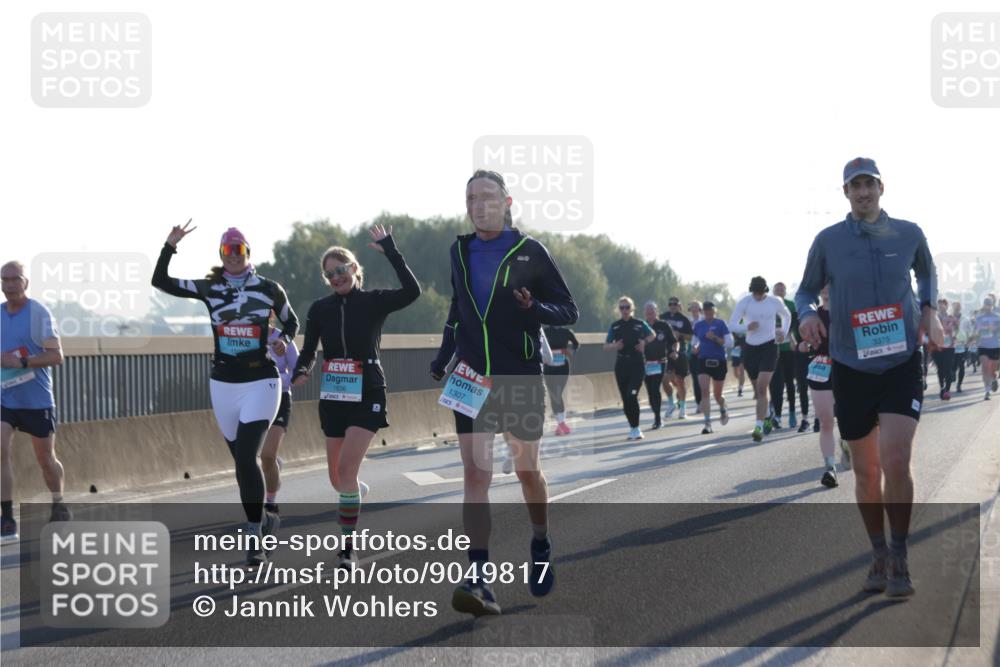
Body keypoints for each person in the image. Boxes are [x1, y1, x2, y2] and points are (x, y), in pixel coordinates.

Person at [430, 170, 578, 616]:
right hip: (471, 377)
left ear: (507, 201)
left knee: (527, 470)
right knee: (475, 477)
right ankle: (478, 578)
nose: (479, 204)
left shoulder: (530, 251)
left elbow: (569, 309)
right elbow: (458, 310)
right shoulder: (459, 250)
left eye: (487, 197)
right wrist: (444, 355)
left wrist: (536, 308)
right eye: (471, 197)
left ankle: (540, 540)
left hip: (520, 376)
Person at [796, 157, 941, 599]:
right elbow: (805, 289)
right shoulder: (828, 241)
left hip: (899, 362)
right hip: (851, 365)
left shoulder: (910, 233)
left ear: (882, 188)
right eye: (854, 186)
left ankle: (899, 554)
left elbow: (927, 273)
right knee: (865, 470)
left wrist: (930, 312)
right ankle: (877, 553)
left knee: (896, 458)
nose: (863, 192)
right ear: (845, 193)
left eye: (869, 184)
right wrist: (805, 315)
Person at [152, 222, 299, 564]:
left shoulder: (269, 288)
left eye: (240, 250)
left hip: (261, 380)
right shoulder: (210, 288)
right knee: (241, 464)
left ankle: (253, 538)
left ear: (249, 254)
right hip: (223, 383)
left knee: (248, 457)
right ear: (221, 255)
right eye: (228, 251)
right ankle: (262, 517)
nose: (234, 256)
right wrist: (170, 245)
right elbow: (161, 282)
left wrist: (283, 340)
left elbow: (292, 322)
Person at [292, 224, 420, 568]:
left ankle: (347, 547)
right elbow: (308, 351)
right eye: (329, 273)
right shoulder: (320, 309)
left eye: (342, 269)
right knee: (338, 479)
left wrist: (391, 251)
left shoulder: (373, 301)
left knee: (347, 469)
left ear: (354, 269)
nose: (336, 277)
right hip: (334, 392)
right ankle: (354, 492)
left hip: (368, 391)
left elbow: (412, 292)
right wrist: (301, 370)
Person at [1, 260, 70, 542]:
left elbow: (57, 356)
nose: (9, 285)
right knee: (0, 453)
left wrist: (23, 361)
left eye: (15, 279)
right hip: (6, 397)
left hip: (37, 399)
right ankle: (6, 518)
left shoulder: (38, 313)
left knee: (45, 459)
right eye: (4, 280)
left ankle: (58, 503)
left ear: (25, 282)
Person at [728, 276, 791, 443]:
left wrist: (783, 331)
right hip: (751, 349)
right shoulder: (745, 302)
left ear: (766, 291)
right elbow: (732, 324)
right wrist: (745, 327)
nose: (758, 296)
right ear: (751, 291)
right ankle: (768, 414)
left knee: (763, 387)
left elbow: (787, 315)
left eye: (761, 293)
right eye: (755, 293)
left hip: (770, 347)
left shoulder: (774, 301)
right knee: (757, 391)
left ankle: (758, 427)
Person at [798, 286, 838, 487]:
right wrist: (803, 346)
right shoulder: (813, 315)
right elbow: (801, 343)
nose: (826, 289)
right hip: (821, 368)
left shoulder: (848, 310)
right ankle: (830, 468)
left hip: (848, 367)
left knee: (850, 418)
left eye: (830, 284)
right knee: (825, 421)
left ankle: (849, 444)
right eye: (822, 286)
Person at [260, 320, 298, 516]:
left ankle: (271, 502)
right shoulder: (246, 336)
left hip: (280, 398)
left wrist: (277, 380)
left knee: (267, 455)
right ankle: (275, 465)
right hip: (255, 399)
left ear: (272, 313)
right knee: (262, 457)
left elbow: (298, 372)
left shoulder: (283, 338)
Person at [604, 296, 656, 439]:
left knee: (631, 395)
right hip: (621, 365)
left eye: (627, 307)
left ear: (632, 308)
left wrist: (644, 342)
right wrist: (615, 345)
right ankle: (632, 427)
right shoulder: (615, 326)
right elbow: (606, 345)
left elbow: (653, 334)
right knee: (626, 399)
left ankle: (637, 428)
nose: (625, 310)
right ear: (619, 310)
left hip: (637, 363)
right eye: (622, 307)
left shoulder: (640, 323)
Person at [692, 301, 731, 434]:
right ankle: (707, 423)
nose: (708, 313)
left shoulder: (721, 324)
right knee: (704, 391)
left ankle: (723, 407)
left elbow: (729, 343)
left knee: (717, 395)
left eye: (711, 310)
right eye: (706, 311)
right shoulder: (698, 325)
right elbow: (694, 341)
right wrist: (695, 348)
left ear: (715, 311)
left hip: (719, 361)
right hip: (703, 360)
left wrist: (714, 337)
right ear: (703, 312)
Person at [641, 301, 679, 430]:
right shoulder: (642, 326)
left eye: (652, 312)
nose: (650, 315)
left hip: (660, 362)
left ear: (656, 312)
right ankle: (656, 415)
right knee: (650, 391)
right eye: (647, 312)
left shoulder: (663, 326)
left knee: (655, 388)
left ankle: (657, 419)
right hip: (646, 363)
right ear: (644, 313)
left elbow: (674, 342)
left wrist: (674, 351)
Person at [768, 282, 801, 429]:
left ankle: (793, 412)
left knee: (790, 382)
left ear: (785, 291)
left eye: (782, 288)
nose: (780, 290)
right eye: (777, 288)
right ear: (773, 291)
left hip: (789, 348)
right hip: (773, 349)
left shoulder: (791, 304)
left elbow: (796, 323)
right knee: (776, 384)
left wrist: (790, 334)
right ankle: (778, 416)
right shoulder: (768, 305)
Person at [542, 325, 580, 436]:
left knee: (557, 393)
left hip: (562, 367)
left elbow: (576, 344)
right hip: (549, 366)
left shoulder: (566, 332)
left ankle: (562, 424)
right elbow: (538, 344)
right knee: (553, 394)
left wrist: (571, 351)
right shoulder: (545, 331)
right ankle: (560, 424)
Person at [662, 297, 694, 419]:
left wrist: (680, 334)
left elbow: (691, 337)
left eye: (675, 304)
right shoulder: (663, 317)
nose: (672, 306)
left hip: (680, 352)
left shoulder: (684, 319)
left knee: (680, 381)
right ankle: (671, 403)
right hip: (667, 352)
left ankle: (683, 408)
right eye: (670, 304)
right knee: (665, 380)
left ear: (679, 305)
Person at [972, 296, 1000, 400]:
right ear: (983, 305)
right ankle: (987, 391)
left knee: (992, 369)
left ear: (992, 305)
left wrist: (995, 330)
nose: (987, 306)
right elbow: (976, 332)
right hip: (983, 346)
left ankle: (994, 379)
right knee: (984, 367)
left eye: (989, 304)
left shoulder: (997, 317)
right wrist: (973, 340)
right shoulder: (979, 318)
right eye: (986, 304)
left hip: (995, 345)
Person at [931, 298, 958, 401]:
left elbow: (957, 330)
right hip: (936, 347)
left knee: (947, 369)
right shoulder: (934, 318)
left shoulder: (952, 318)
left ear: (947, 306)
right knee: (940, 369)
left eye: (943, 305)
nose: (941, 307)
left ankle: (947, 391)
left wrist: (955, 336)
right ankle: (942, 387)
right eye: (939, 305)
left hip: (949, 347)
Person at [687, 301, 704, 410]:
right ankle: (699, 402)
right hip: (691, 351)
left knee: (702, 377)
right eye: (692, 307)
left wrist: (700, 347)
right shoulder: (688, 321)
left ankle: (704, 400)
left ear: (700, 309)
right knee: (695, 378)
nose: (694, 309)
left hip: (703, 351)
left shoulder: (704, 320)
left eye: (696, 307)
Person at [952, 301, 970, 392]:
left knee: (961, 366)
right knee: (953, 366)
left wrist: (968, 342)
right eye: (955, 307)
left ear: (960, 308)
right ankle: (953, 375)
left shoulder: (965, 319)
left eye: (958, 307)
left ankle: (959, 385)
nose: (957, 308)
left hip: (963, 345)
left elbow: (968, 331)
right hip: (951, 346)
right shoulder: (949, 318)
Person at [730, 332, 746, 397]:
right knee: (736, 374)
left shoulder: (744, 331)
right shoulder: (732, 332)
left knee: (741, 371)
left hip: (743, 354)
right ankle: (741, 381)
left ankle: (740, 389)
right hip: (735, 354)